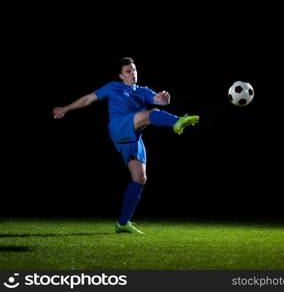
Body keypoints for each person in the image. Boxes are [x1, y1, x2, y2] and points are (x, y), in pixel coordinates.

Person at [52, 57, 199, 234]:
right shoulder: (114, 86)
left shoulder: (143, 90)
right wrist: (66, 108)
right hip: (119, 127)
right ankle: (178, 121)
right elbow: (88, 99)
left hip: (134, 136)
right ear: (121, 75)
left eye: (134, 70)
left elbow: (159, 101)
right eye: (128, 71)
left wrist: (164, 99)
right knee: (151, 113)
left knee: (139, 178)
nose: (133, 74)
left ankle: (123, 223)